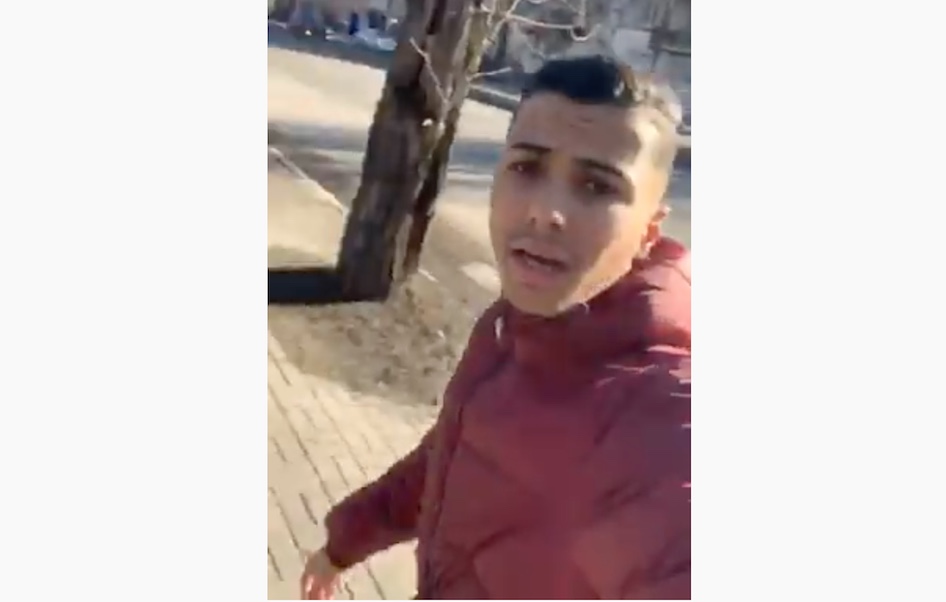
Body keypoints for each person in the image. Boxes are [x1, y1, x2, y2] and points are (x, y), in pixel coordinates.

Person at [301, 55, 691, 600]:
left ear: (649, 231)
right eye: (527, 169)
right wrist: (347, 539)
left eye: (596, 187)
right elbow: (457, 455)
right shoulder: (514, 327)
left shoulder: (660, 413)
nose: (545, 212)